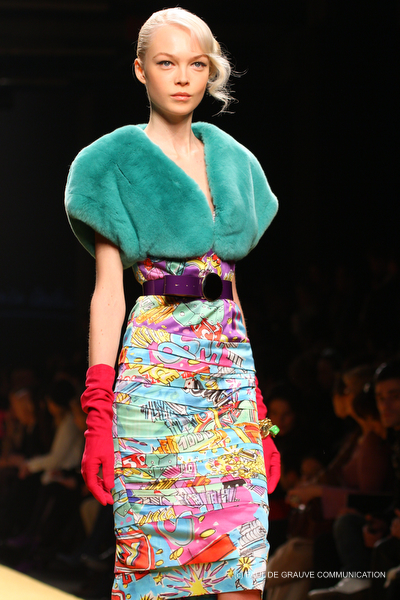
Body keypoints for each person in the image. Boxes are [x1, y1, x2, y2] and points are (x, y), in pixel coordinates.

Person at [65, 7, 280, 600]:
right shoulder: (109, 165)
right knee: (155, 577)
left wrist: (257, 411)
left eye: (196, 64)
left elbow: (230, 290)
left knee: (244, 576)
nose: (183, 77)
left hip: (227, 382)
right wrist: (99, 411)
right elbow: (108, 292)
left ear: (209, 71)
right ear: (141, 70)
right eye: (166, 63)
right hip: (155, 375)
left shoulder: (235, 164)